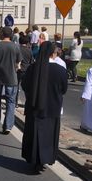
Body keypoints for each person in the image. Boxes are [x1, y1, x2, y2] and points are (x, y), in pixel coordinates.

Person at [21, 41, 68, 172]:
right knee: (49, 136)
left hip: (34, 107)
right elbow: (64, 89)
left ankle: (33, 159)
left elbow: (24, 85)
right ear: (53, 53)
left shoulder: (32, 68)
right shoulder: (60, 70)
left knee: (34, 134)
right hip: (52, 107)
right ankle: (44, 159)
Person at [0, 27, 22, 134]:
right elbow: (18, 64)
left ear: (2, 34)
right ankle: (8, 125)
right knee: (11, 101)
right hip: (11, 77)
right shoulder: (16, 47)